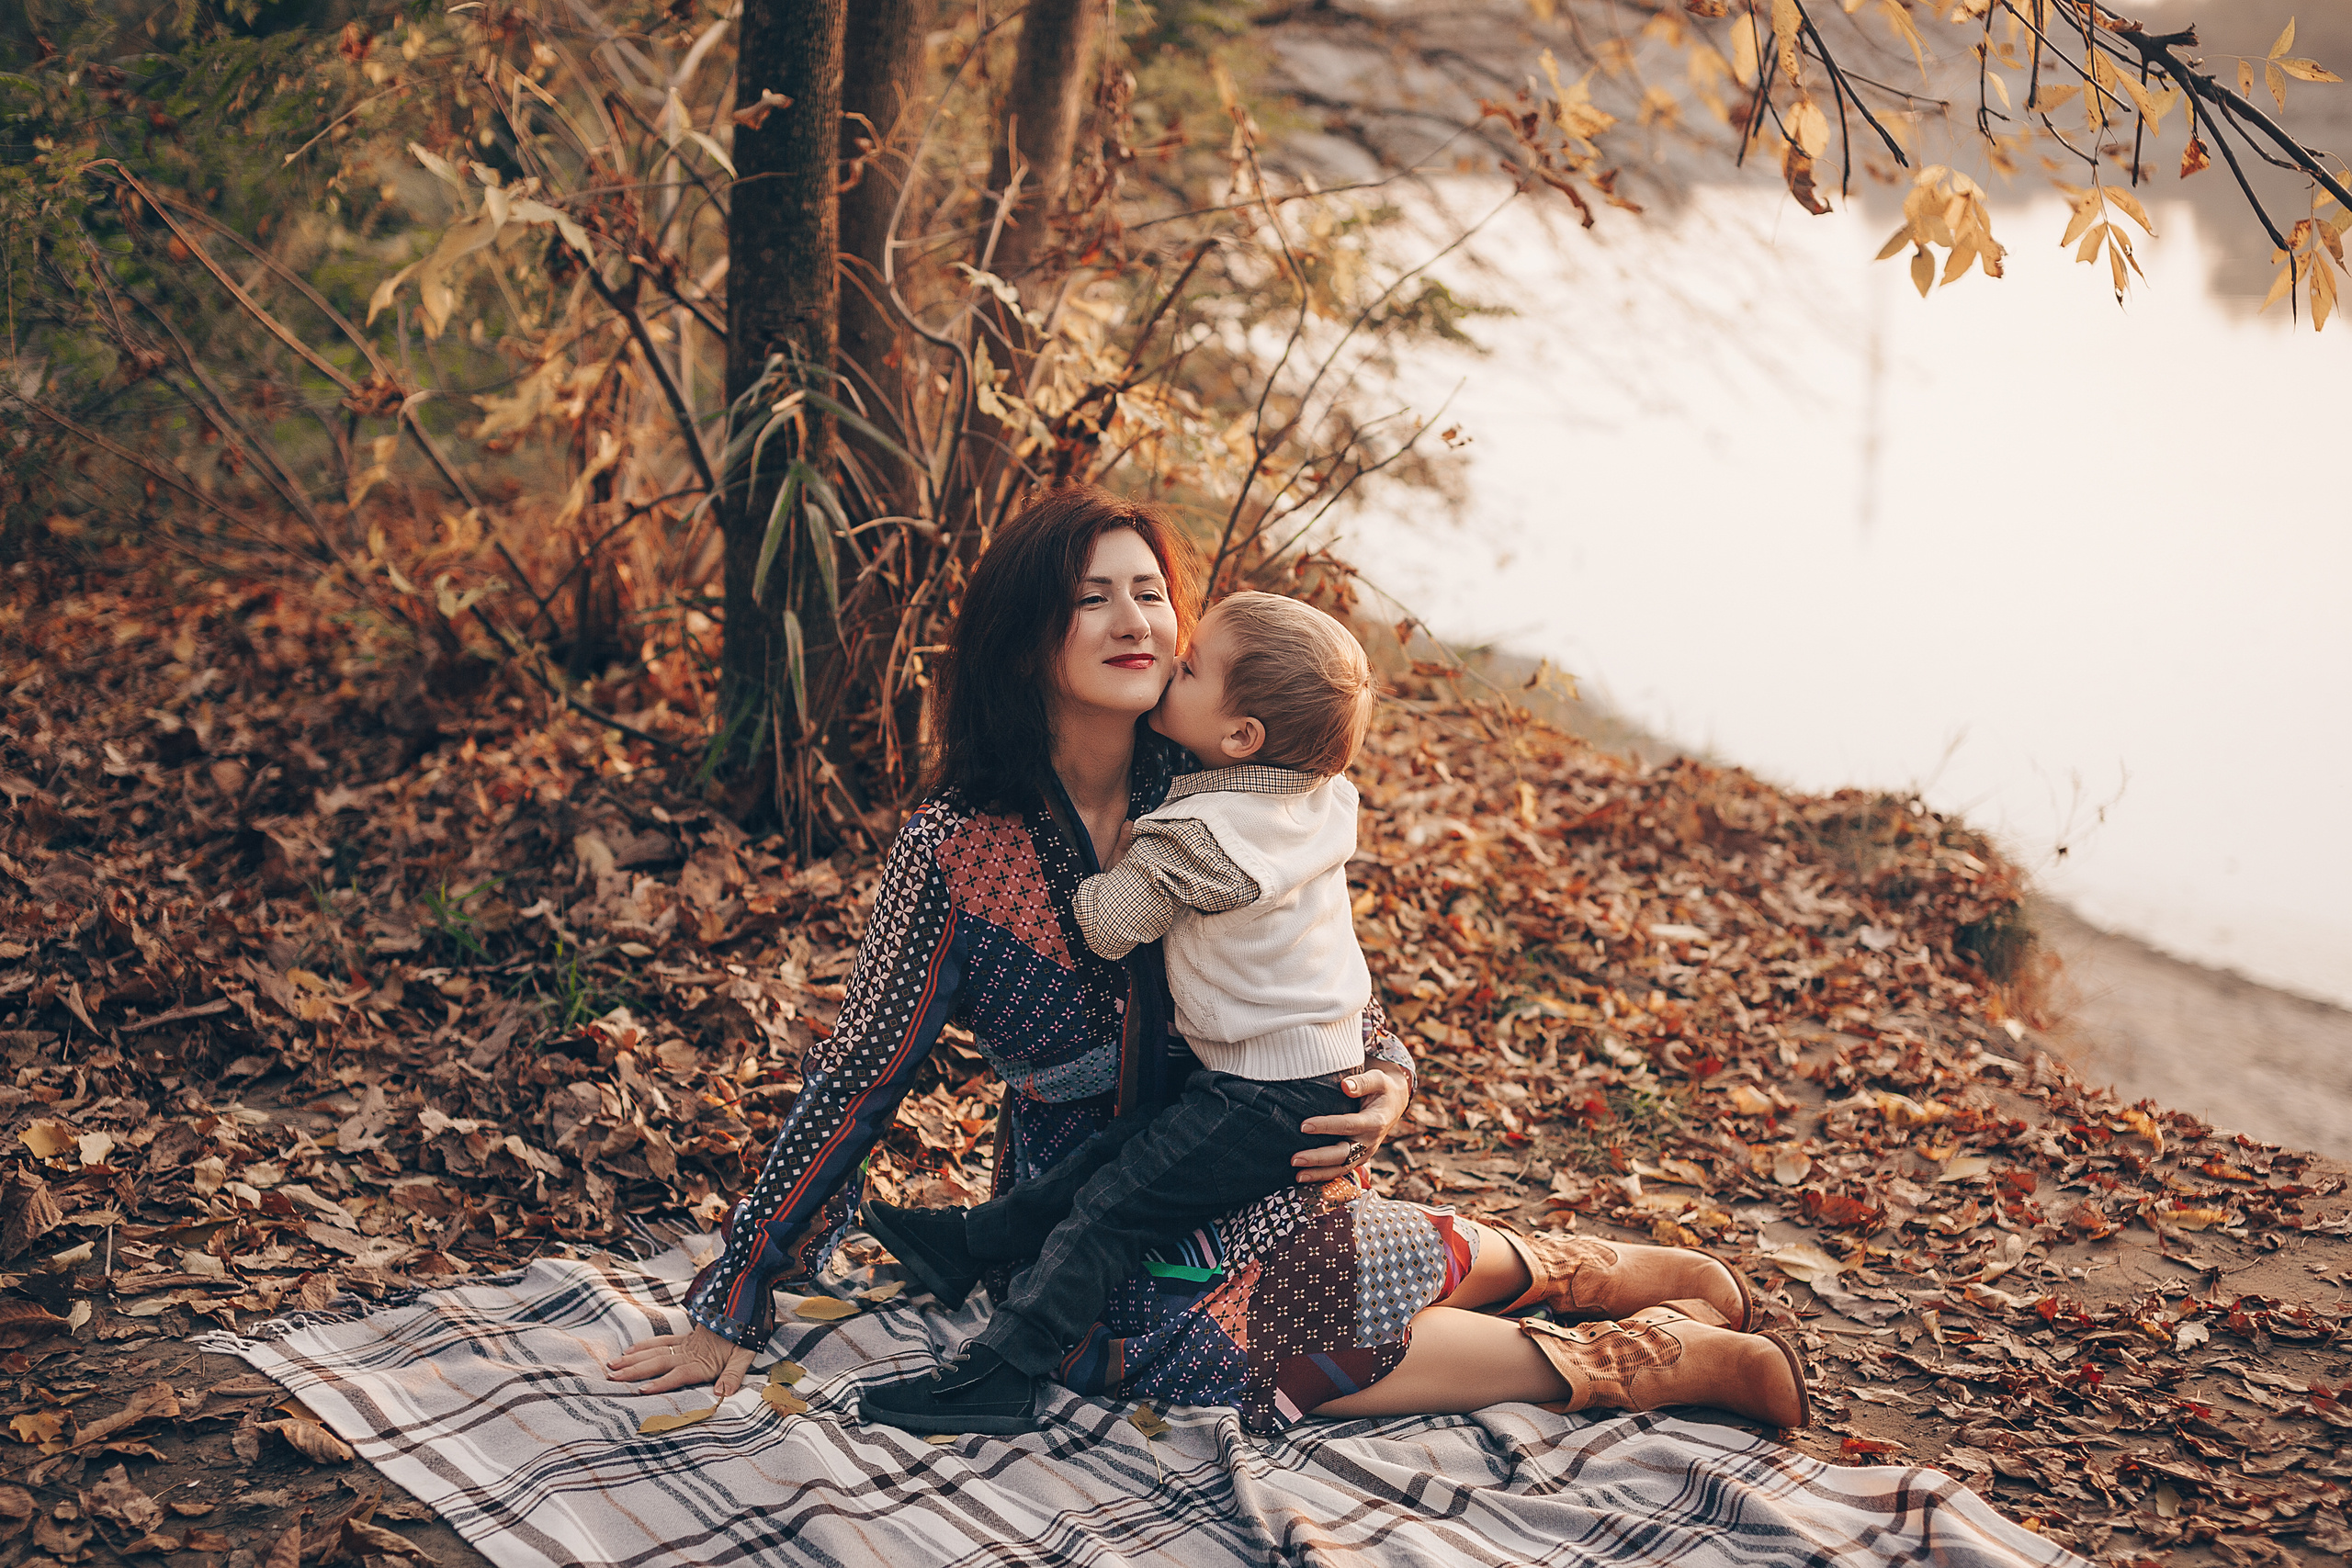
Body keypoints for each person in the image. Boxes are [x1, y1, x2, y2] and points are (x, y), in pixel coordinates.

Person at [608, 484, 1807, 1435]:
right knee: (1128, 1338)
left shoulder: (1230, 779)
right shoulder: (956, 848)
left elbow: (1323, 972)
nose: (1136, 620)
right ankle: (1618, 1336)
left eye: (1150, 593)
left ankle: (1604, 1304)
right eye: (1093, 598)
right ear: (1028, 637)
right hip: (1087, 1189)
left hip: (1263, 1143)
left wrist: (1387, 1073)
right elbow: (860, 1069)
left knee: (1290, 1275)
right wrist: (738, 1290)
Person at [856, 591, 1388, 1434]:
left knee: (1116, 1209)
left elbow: (1106, 927)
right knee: (1110, 1158)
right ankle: (966, 1242)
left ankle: (1007, 1367)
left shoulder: (1203, 836)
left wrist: (1116, 851)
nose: (1171, 663)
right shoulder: (1318, 796)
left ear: (1241, 735)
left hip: (1265, 1093)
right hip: (1293, 1072)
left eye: (1192, 668)